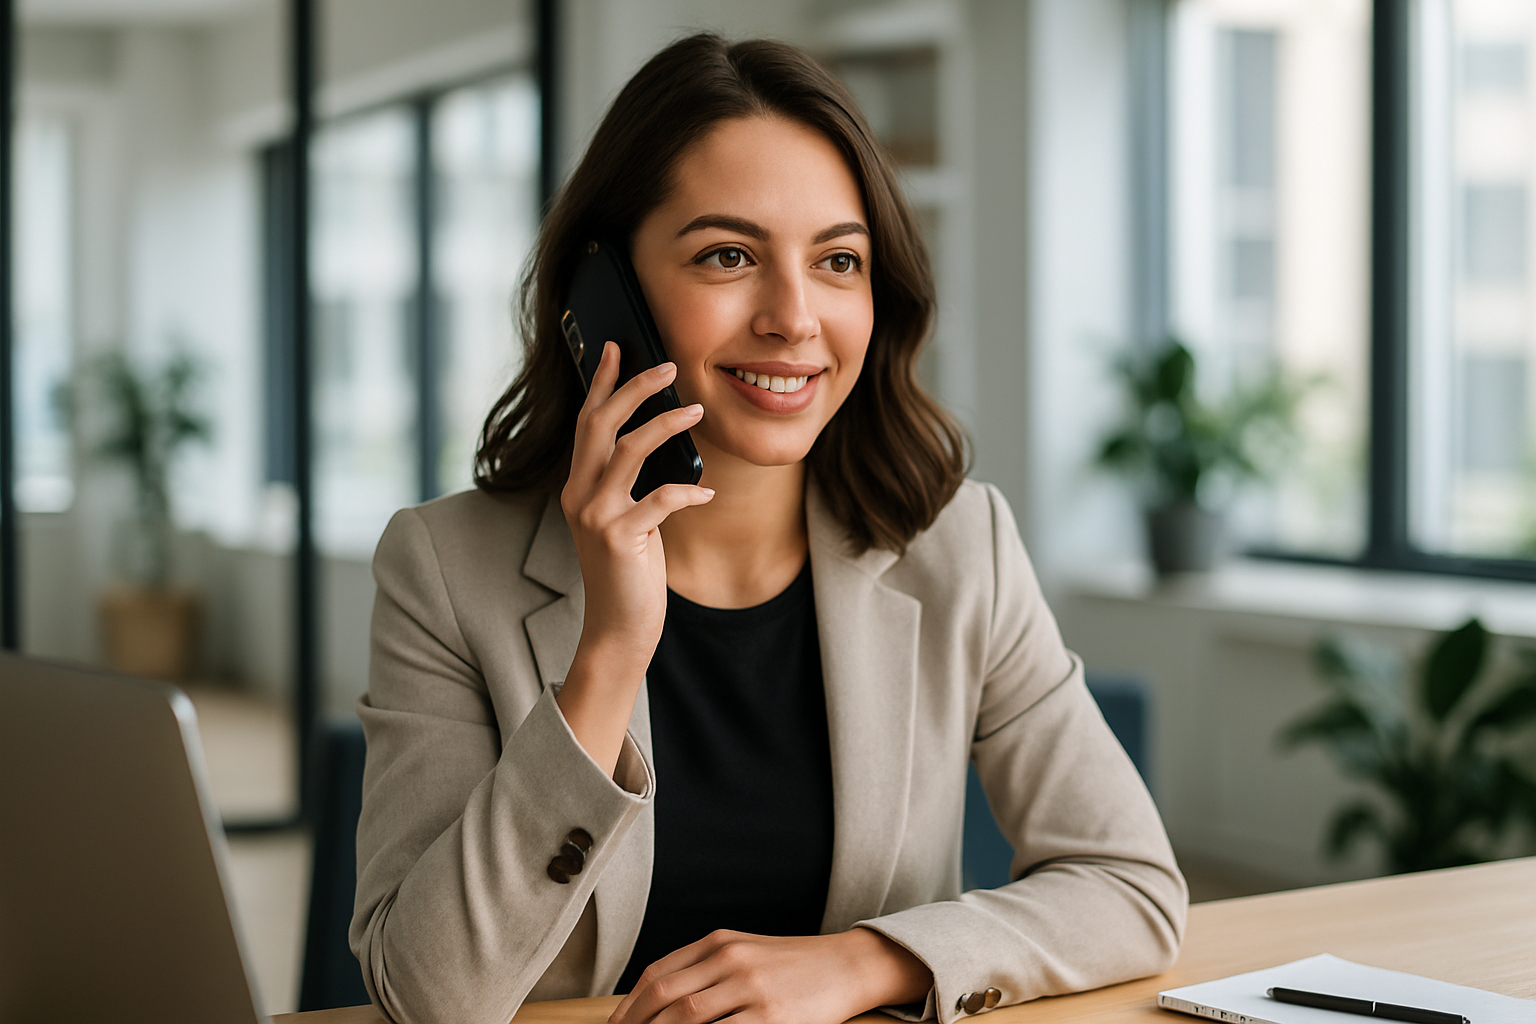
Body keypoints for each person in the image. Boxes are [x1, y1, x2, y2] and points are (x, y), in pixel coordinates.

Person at [351, 32, 1186, 1024]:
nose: (794, 317)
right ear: (604, 296)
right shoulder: (446, 570)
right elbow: (423, 995)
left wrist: (865, 963)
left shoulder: (958, 546)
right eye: (729, 256)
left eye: (839, 260)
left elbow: (1131, 886)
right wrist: (609, 654)